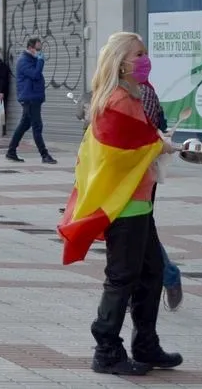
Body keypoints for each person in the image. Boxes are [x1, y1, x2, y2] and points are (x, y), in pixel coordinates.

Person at [57, 31, 183, 376]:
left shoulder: (130, 95)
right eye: (138, 54)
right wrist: (160, 146)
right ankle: (107, 349)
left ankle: (146, 344)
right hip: (124, 204)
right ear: (121, 63)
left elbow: (135, 142)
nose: (145, 60)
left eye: (145, 53)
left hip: (138, 201)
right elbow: (120, 152)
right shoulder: (118, 100)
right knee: (123, 276)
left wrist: (155, 144)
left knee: (151, 272)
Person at [138, 78, 183, 312]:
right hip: (115, 173)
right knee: (131, 233)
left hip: (140, 173)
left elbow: (143, 133)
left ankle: (168, 276)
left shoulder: (142, 92)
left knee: (139, 230)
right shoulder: (112, 89)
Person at [6, 37, 57, 164]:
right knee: (37, 126)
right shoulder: (24, 61)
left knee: (25, 124)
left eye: (40, 49)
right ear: (30, 48)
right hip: (29, 98)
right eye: (38, 49)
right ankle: (44, 155)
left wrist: (38, 60)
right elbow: (35, 74)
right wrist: (40, 61)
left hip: (33, 96)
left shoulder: (31, 59)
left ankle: (11, 151)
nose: (40, 52)